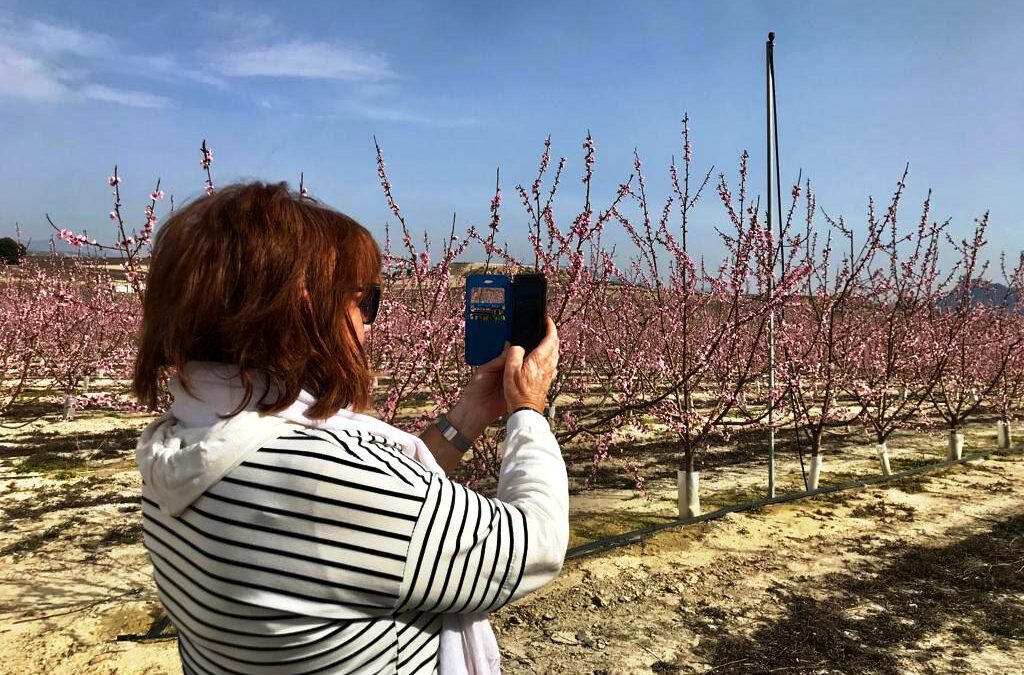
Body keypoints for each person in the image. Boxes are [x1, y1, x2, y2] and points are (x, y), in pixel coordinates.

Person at [133, 182, 569, 674]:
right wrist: (527, 411)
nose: (368, 326)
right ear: (303, 305)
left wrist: (470, 414)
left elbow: (389, 486)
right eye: (365, 301)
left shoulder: (178, 444)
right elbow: (536, 542)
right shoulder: (319, 474)